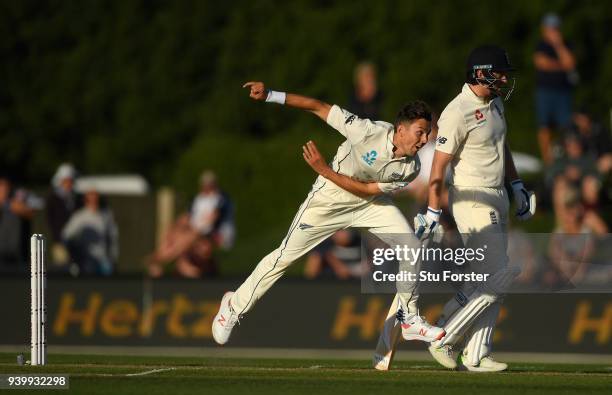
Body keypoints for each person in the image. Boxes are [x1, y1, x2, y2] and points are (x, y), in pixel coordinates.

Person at [212, 80, 445, 346]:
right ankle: (232, 307)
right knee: (283, 258)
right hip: (328, 200)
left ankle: (410, 319)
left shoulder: (411, 168)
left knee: (411, 248)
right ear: (401, 129)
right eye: (421, 132)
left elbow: (368, 191)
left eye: (427, 133)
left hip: (368, 202)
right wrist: (269, 95)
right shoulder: (366, 131)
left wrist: (325, 169)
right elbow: (318, 107)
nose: (425, 139)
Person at [413, 45, 536, 372]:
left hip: (498, 195)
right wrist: (433, 212)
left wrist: (517, 185)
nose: (504, 79)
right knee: (498, 275)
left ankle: (475, 351)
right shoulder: (458, 111)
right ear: (480, 73)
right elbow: (438, 167)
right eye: (499, 73)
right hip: (471, 198)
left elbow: (502, 145)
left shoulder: (495, 104)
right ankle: (445, 337)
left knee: (487, 279)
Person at [147, 170, 231, 278]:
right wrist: (174, 228)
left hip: (210, 233)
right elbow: (187, 216)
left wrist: (194, 229)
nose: (206, 186)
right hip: (195, 230)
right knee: (176, 234)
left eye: (209, 184)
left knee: (186, 238)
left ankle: (159, 260)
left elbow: (212, 220)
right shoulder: (199, 198)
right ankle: (161, 260)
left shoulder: (219, 199)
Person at [533, 13, 577, 165]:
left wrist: (559, 45)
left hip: (563, 92)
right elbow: (541, 63)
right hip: (545, 91)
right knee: (545, 126)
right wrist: (561, 66)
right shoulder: (541, 45)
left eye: (555, 28)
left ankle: (569, 160)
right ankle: (548, 162)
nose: (553, 31)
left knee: (566, 126)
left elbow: (570, 63)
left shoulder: (565, 44)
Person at [62, 189, 118, 276]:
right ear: (86, 199)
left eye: (95, 197)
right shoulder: (79, 216)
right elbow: (66, 235)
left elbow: (113, 236)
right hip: (86, 261)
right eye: (91, 197)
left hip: (104, 259)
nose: (94, 200)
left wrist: (113, 256)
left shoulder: (106, 215)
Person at [46, 163, 80, 265]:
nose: (68, 183)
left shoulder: (76, 198)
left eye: (70, 181)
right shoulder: (53, 198)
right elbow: (51, 220)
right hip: (59, 242)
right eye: (66, 181)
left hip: (75, 241)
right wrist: (58, 238)